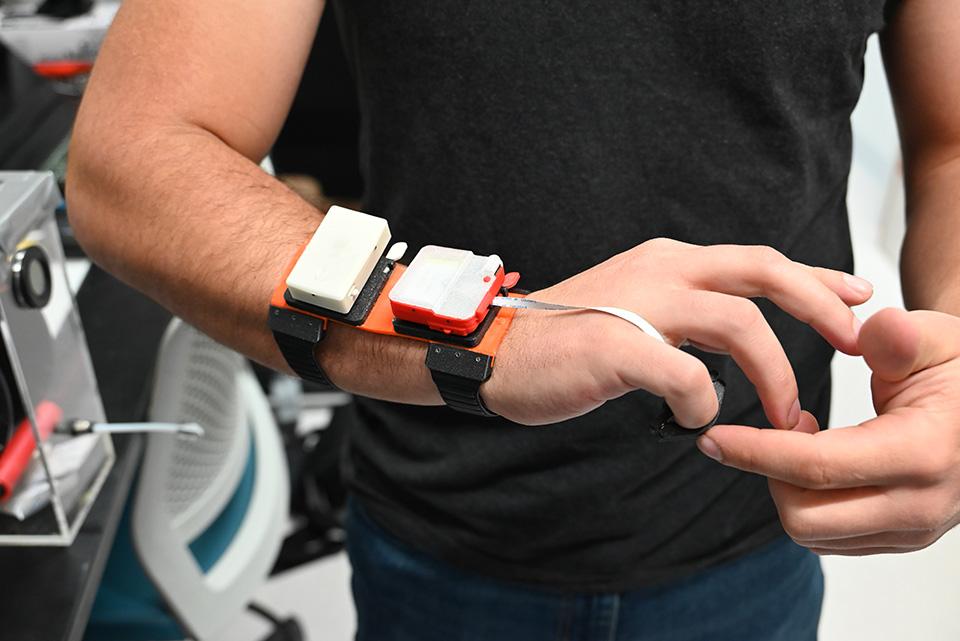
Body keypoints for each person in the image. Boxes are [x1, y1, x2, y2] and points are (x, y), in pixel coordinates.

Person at [66, 1, 960, 639]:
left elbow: (951, 143)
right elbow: (132, 156)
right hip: (442, 535)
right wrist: (492, 334)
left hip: (754, 525)